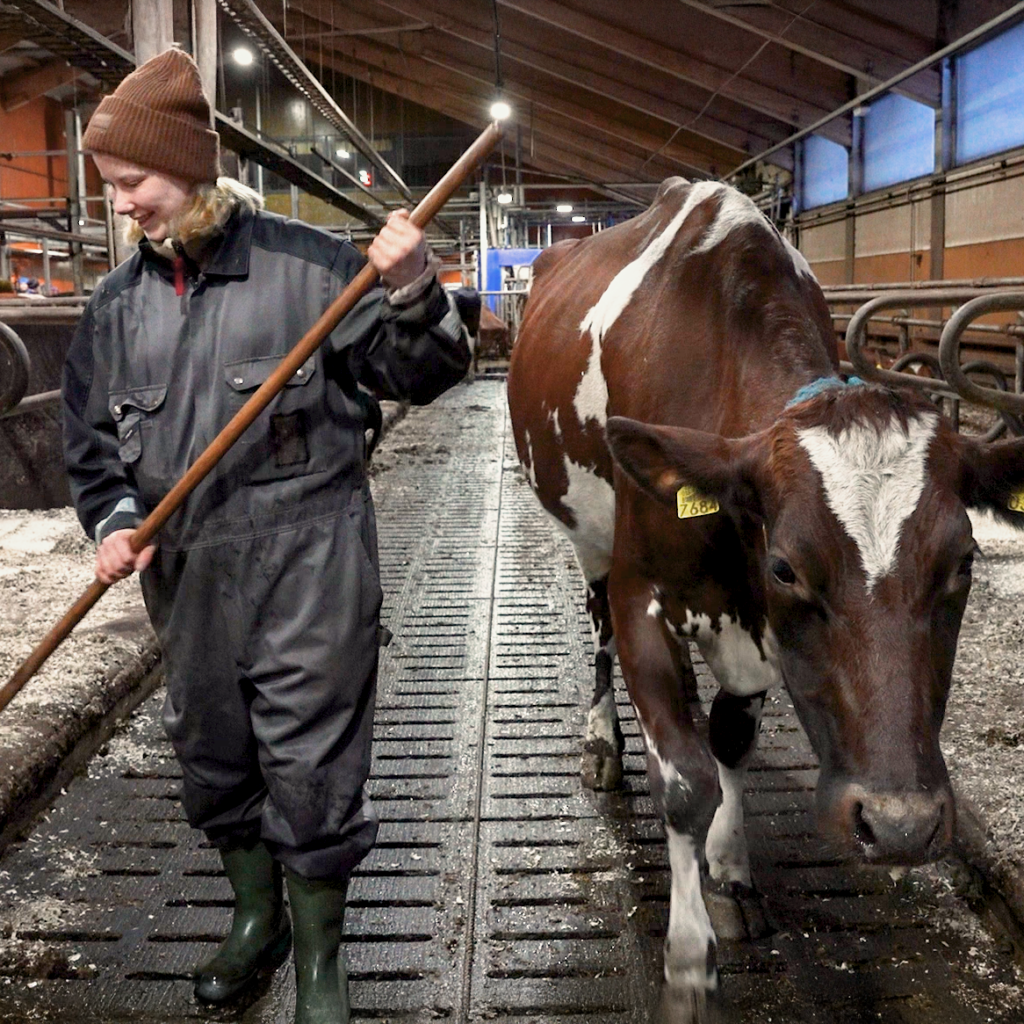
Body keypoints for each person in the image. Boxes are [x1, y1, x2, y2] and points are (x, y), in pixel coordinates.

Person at [61, 47, 471, 1023]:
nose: (121, 204)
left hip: (310, 570)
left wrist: (413, 285)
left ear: (193, 170)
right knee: (216, 757)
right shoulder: (114, 312)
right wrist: (116, 520)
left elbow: (425, 372)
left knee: (312, 768)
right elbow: (90, 449)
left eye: (133, 182)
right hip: (192, 583)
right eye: (109, 187)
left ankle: (322, 965)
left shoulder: (314, 270)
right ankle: (257, 920)